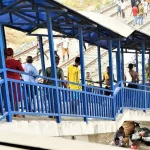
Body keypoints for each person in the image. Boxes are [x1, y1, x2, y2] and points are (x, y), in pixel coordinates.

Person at [5, 48, 24, 118]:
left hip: (7, 81)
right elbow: (22, 70)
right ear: (12, 53)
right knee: (17, 96)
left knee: (8, 95)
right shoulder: (16, 62)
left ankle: (8, 111)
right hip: (16, 81)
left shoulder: (3, 62)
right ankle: (16, 112)